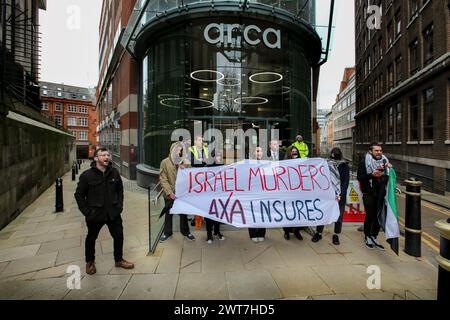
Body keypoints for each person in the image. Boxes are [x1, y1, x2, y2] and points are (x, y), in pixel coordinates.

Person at [74, 147, 134, 275]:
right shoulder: (87, 176)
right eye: (103, 155)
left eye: (108, 155)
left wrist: (119, 206)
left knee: (119, 236)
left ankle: (119, 260)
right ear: (96, 158)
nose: (107, 157)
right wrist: (87, 212)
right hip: (95, 214)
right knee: (91, 238)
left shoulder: (114, 173)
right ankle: (90, 262)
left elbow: (120, 191)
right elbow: (79, 195)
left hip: (113, 213)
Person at [311, 147, 350, 245]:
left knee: (339, 216)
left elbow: (346, 181)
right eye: (334, 153)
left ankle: (336, 235)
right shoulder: (325, 164)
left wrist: (340, 194)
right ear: (331, 154)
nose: (335, 155)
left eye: (337, 154)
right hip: (327, 195)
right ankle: (318, 233)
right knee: (323, 213)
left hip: (339, 196)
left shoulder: (344, 165)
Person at [357, 143, 392, 250]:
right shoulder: (364, 162)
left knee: (378, 215)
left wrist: (388, 170)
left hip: (381, 193)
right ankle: (367, 236)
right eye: (376, 150)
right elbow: (360, 177)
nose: (379, 152)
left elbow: (387, 177)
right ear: (370, 151)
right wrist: (372, 175)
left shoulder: (385, 161)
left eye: (380, 150)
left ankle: (374, 236)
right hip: (368, 193)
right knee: (370, 215)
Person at [159, 142, 196, 242]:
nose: (178, 152)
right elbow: (163, 179)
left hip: (181, 194)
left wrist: (185, 170)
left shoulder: (185, 162)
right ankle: (167, 232)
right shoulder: (165, 162)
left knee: (183, 213)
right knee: (169, 213)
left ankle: (186, 232)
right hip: (169, 194)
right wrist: (169, 192)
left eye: (180, 150)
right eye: (177, 149)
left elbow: (192, 175)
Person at [282, 146, 304, 241]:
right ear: (289, 153)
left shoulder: (302, 163)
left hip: (298, 192)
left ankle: (297, 230)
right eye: (293, 152)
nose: (294, 153)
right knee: (288, 212)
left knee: (299, 212)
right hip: (288, 192)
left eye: (296, 152)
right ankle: (287, 231)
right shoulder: (284, 164)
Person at [204, 151, 226, 244]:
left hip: (219, 195)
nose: (219, 158)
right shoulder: (207, 168)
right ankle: (209, 235)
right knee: (209, 216)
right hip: (209, 196)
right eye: (217, 156)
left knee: (218, 215)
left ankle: (217, 232)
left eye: (220, 156)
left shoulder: (224, 167)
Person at [248, 146, 267, 242]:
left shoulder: (267, 164)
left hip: (263, 193)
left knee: (263, 214)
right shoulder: (248, 164)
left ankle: (261, 233)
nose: (259, 153)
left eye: (261, 151)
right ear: (254, 153)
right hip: (252, 193)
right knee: (252, 214)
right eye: (257, 151)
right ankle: (253, 234)